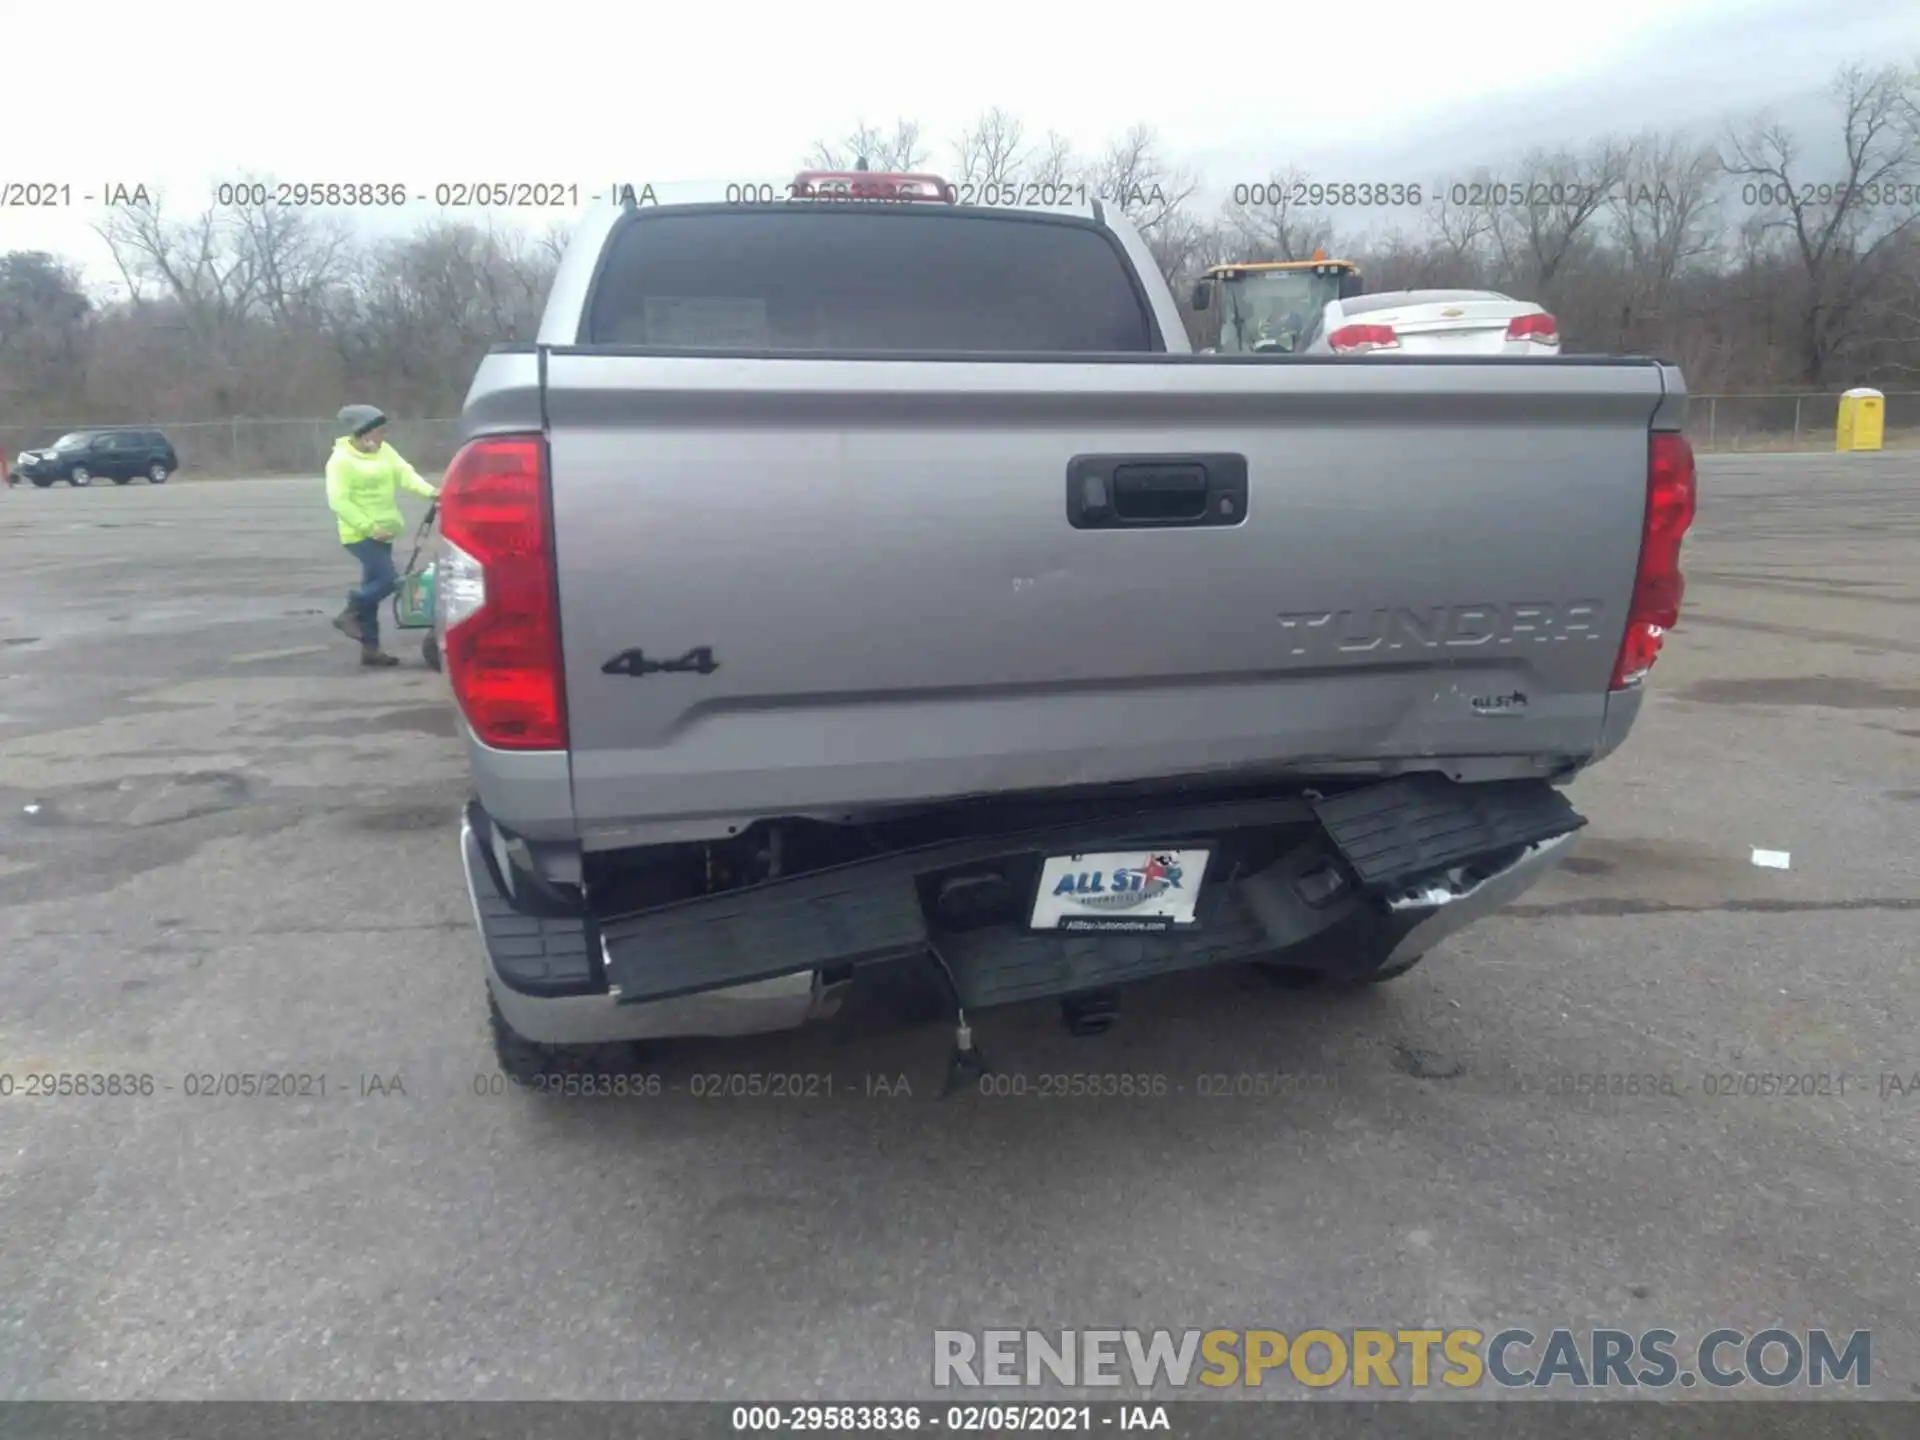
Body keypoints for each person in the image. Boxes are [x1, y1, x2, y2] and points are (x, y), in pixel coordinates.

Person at [325, 404, 438, 667]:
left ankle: (370, 650)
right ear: (362, 431)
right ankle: (350, 610)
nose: (383, 436)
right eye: (379, 431)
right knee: (388, 580)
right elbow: (339, 502)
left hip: (385, 531)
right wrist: (369, 527)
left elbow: (405, 473)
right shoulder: (341, 461)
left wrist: (430, 492)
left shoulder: (384, 451)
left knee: (372, 587)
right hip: (359, 533)